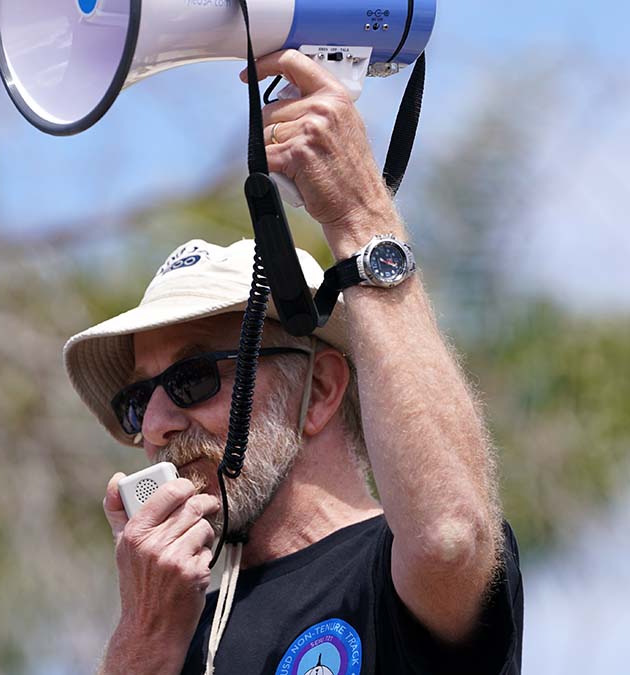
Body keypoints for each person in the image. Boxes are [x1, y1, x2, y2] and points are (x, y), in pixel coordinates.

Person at [62, 50, 524, 674]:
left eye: (193, 377)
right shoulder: (167, 628)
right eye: (138, 401)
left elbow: (448, 537)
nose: (155, 427)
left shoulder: (386, 573)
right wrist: (143, 638)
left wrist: (360, 216)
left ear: (322, 391)